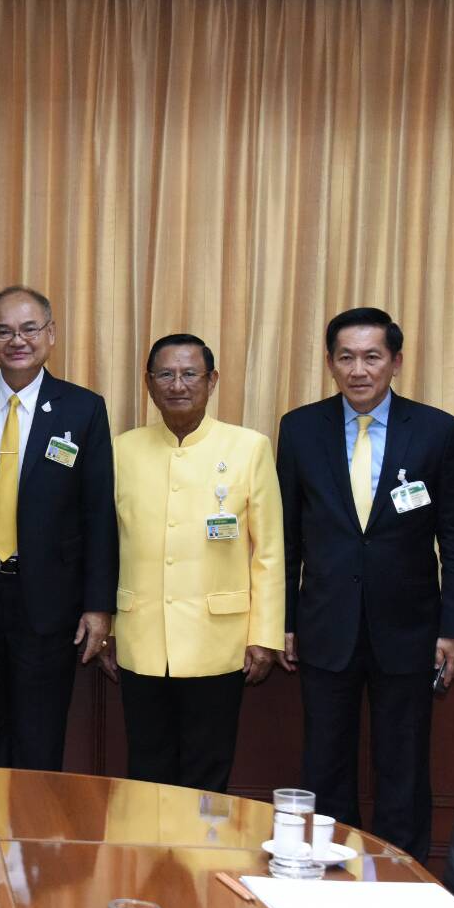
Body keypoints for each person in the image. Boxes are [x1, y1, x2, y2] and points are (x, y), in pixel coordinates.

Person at [277, 307, 454, 861]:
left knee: (403, 767)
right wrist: (284, 623)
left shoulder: (436, 430)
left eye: (372, 357)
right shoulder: (299, 429)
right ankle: (328, 871)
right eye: (346, 357)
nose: (358, 370)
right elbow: (285, 540)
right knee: (325, 767)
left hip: (410, 630)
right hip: (325, 626)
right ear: (330, 363)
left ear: (396, 362)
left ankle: (401, 879)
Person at [0, 286, 116, 772]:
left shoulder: (83, 409)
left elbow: (98, 515)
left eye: (30, 329)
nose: (18, 340)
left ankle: (31, 846)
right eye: (4, 330)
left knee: (40, 739)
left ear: (51, 334)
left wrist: (98, 607)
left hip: (50, 602)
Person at [109, 333, 284, 793]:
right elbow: (105, 544)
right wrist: (107, 626)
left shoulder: (249, 448)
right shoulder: (122, 450)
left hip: (219, 640)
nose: (178, 385)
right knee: (146, 771)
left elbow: (268, 552)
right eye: (165, 374)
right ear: (148, 383)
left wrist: (263, 636)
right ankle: (148, 863)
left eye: (191, 374)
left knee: (207, 777)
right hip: (140, 638)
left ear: (212, 381)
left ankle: (202, 860)